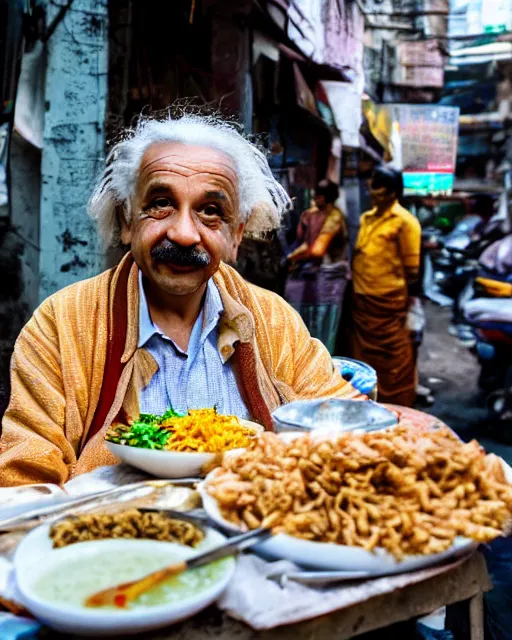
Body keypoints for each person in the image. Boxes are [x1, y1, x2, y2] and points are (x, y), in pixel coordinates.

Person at [0, 114, 360, 487]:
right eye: (160, 203)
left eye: (210, 211)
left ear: (235, 236)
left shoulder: (273, 321)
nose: (185, 234)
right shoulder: (62, 325)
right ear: (126, 220)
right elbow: (23, 480)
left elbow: (348, 429)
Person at [348, 166, 421, 407]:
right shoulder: (366, 218)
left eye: (378, 186)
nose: (371, 191)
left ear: (392, 192)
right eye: (372, 184)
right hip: (363, 301)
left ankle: (398, 404)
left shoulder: (405, 222)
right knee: (363, 359)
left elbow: (412, 272)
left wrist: (410, 305)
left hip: (388, 303)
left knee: (394, 359)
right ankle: (368, 402)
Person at [284, 180, 348, 354]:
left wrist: (294, 257)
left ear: (327, 198)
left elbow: (318, 250)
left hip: (330, 279)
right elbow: (305, 244)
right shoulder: (310, 215)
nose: (315, 199)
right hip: (310, 277)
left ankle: (324, 368)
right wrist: (290, 257)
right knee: (305, 323)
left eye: (319, 196)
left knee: (325, 326)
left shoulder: (335, 217)